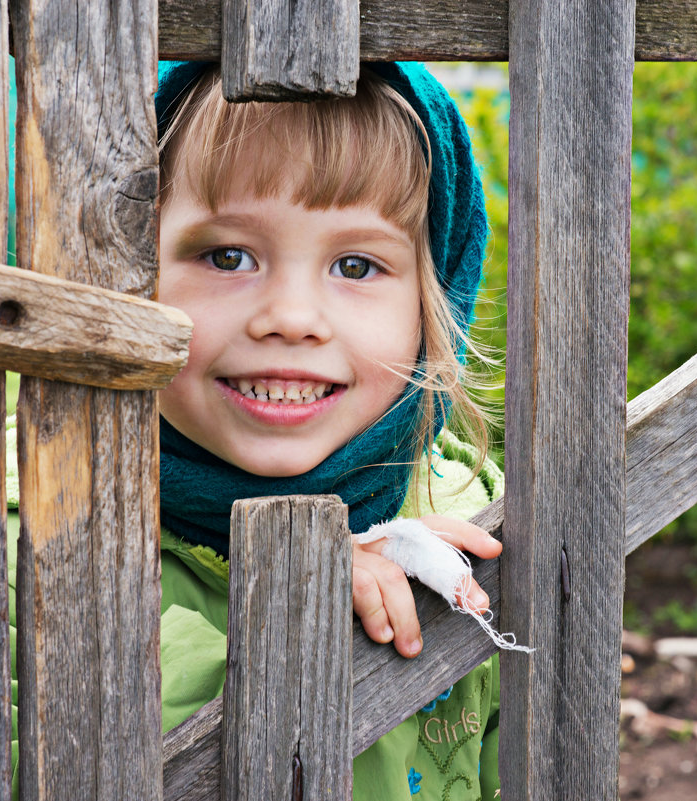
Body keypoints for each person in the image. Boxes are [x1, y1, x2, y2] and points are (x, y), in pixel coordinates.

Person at [152, 61, 504, 800]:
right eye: (226, 256)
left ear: (433, 296)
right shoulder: (40, 533)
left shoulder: (472, 504)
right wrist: (294, 599)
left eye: (355, 263)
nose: (291, 317)